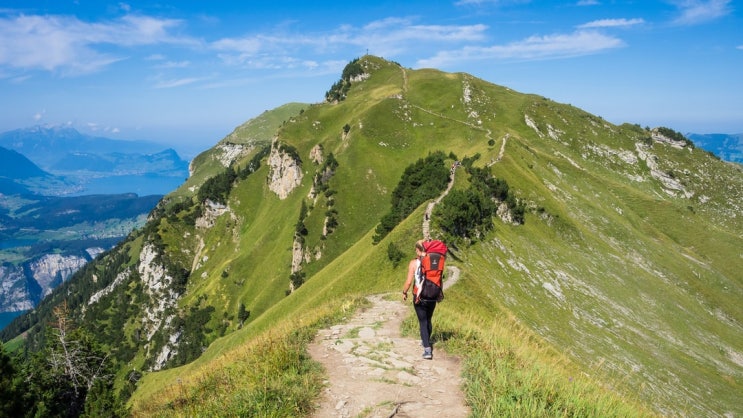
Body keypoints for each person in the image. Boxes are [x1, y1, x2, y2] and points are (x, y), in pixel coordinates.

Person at [402, 239, 436, 360]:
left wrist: (404, 292)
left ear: (418, 250)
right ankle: (426, 340)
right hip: (433, 294)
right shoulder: (433, 260)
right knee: (428, 319)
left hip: (419, 295)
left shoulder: (414, 263)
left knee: (422, 321)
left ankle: (427, 350)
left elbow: (409, 282)